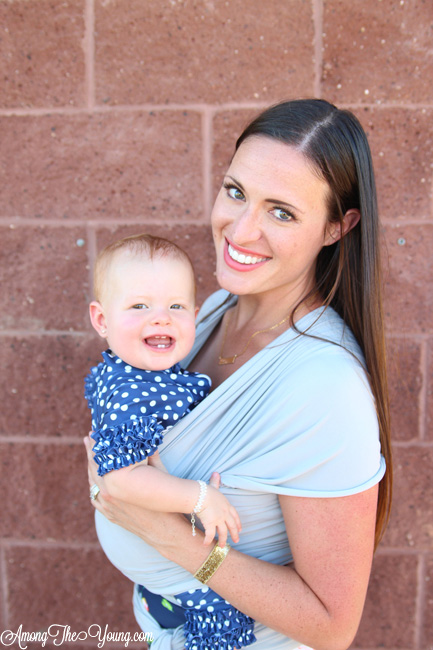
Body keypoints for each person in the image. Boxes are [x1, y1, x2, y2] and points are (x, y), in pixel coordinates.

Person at [84, 98, 392, 650]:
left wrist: (162, 531)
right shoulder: (210, 313)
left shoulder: (325, 387)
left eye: (281, 212)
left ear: (336, 227)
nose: (240, 229)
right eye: (235, 192)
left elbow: (331, 625)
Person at [85, 233, 255, 650]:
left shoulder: (146, 374)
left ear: (196, 316)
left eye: (176, 306)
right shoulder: (129, 391)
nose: (160, 318)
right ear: (102, 319)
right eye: (139, 306)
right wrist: (199, 497)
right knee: (221, 616)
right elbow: (120, 481)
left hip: (168, 565)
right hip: (175, 576)